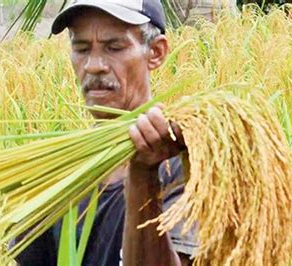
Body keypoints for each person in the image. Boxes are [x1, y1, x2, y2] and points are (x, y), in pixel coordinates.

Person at [15, 1, 196, 265]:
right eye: (81, 48)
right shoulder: (58, 174)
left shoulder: (187, 165)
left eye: (114, 48)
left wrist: (143, 176)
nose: (94, 65)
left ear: (155, 52)